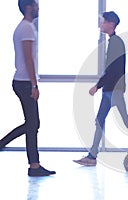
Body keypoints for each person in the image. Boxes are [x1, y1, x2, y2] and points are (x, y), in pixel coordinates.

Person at [0, 0, 56, 176]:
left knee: (33, 124)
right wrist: (34, 84)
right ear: (28, 7)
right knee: (33, 124)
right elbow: (28, 59)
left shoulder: (26, 27)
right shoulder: (26, 28)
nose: (39, 8)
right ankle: (33, 165)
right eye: (36, 5)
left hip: (23, 81)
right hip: (24, 83)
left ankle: (34, 165)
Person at [73, 11, 128, 166]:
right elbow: (116, 68)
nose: (101, 24)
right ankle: (92, 156)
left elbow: (113, 69)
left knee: (125, 122)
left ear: (111, 24)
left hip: (112, 89)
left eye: (103, 22)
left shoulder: (116, 42)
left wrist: (97, 86)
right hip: (111, 89)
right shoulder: (114, 42)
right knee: (100, 121)